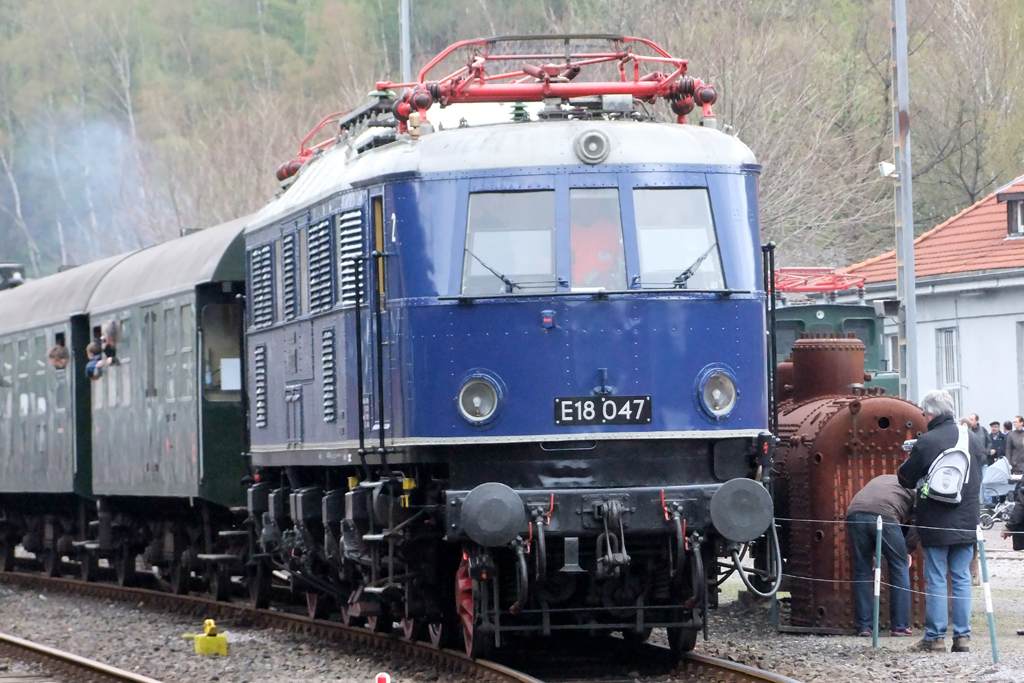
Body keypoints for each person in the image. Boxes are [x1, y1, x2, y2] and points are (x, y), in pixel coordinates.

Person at [897, 389, 983, 653]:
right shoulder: (972, 439)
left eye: (924, 413)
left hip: (935, 520)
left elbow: (905, 479)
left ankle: (934, 638)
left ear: (931, 413)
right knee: (960, 577)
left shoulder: (927, 441)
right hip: (967, 519)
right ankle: (962, 637)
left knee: (936, 578)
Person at [845, 474, 917, 637]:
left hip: (855, 513)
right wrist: (907, 550)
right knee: (899, 567)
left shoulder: (884, 480)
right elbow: (917, 522)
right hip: (884, 514)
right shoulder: (915, 489)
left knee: (862, 569)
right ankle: (899, 626)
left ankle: (864, 626)